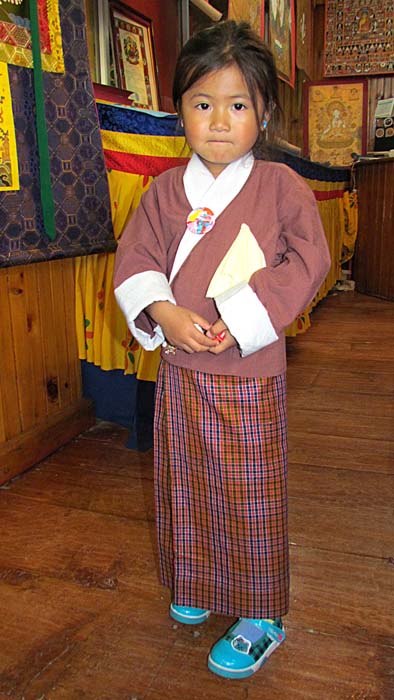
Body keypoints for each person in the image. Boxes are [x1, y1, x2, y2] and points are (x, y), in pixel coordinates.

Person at [114, 20, 331, 680]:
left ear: (262, 111)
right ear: (178, 106)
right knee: (186, 480)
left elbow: (309, 260)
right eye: (201, 104)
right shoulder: (161, 193)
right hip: (182, 369)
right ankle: (199, 580)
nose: (217, 122)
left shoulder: (280, 187)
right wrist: (162, 311)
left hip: (247, 371)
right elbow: (136, 260)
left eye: (237, 105)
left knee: (247, 490)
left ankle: (263, 612)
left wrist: (242, 317)